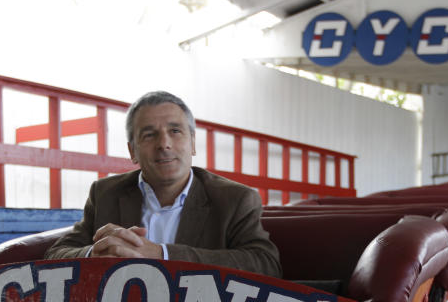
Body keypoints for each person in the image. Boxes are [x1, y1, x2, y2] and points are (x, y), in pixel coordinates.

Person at [44, 91, 281, 277]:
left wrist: (162, 254)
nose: (164, 144)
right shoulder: (105, 193)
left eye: (175, 131)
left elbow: (265, 264)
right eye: (149, 135)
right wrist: (94, 254)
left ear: (193, 143)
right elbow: (55, 255)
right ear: (132, 151)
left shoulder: (235, 199)